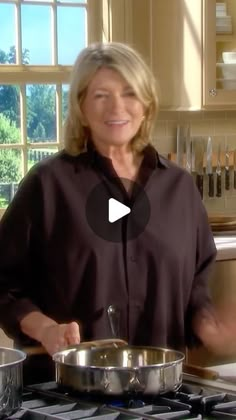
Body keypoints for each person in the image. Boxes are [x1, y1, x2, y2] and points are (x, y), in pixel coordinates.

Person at [0, 42, 235, 385]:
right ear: (81, 105)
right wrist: (46, 328)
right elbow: (5, 284)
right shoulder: (48, 186)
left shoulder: (180, 189)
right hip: (66, 394)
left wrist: (208, 324)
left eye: (129, 93)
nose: (117, 107)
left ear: (147, 103)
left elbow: (195, 288)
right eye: (100, 95)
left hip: (162, 394)